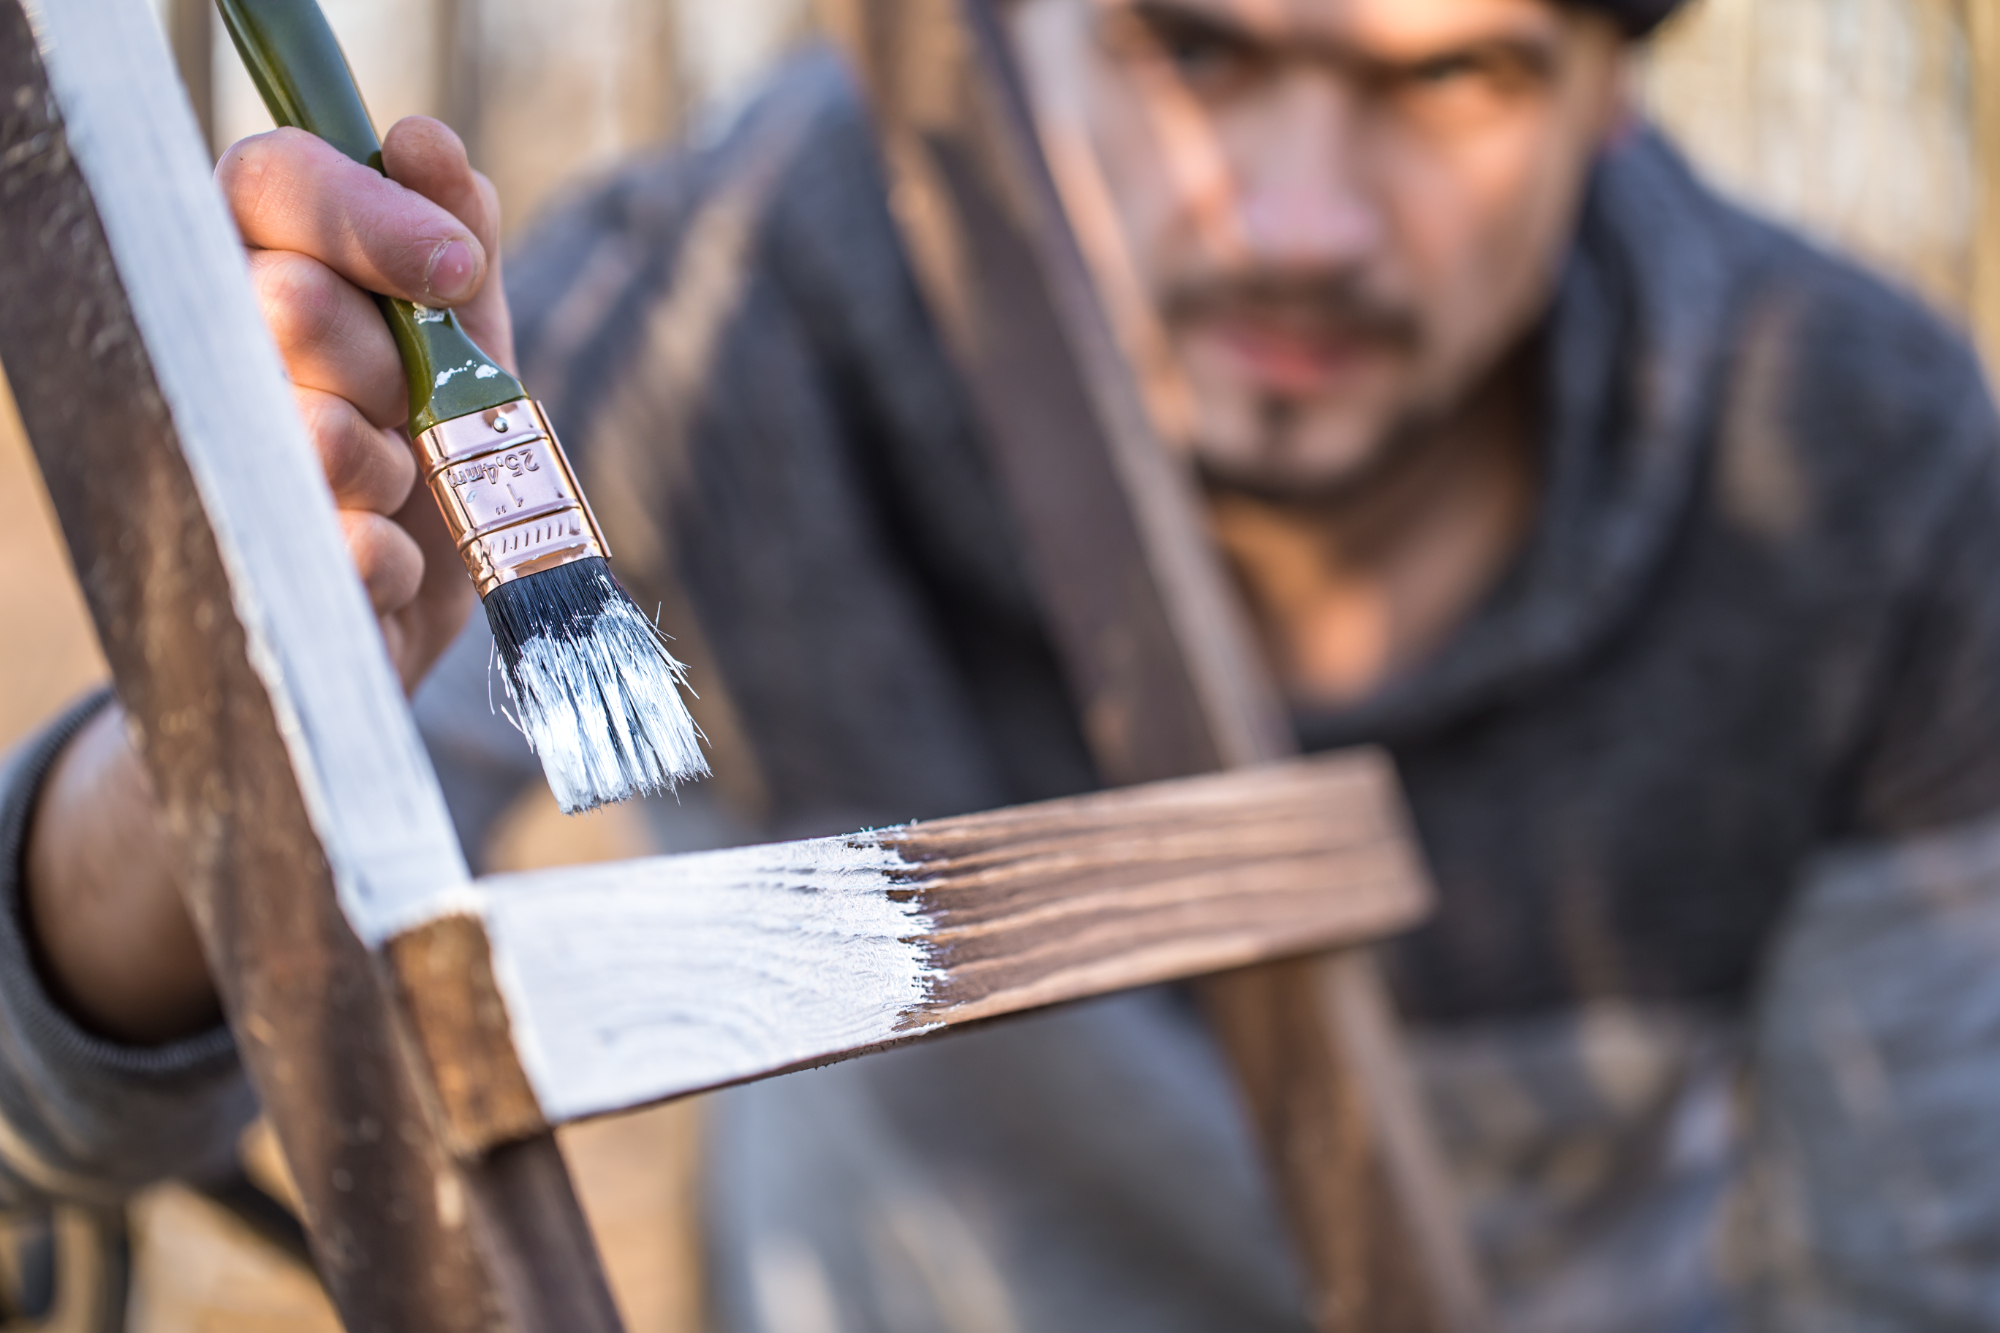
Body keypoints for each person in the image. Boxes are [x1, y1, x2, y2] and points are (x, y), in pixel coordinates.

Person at [9, 0, 2000, 1326]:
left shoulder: (1857, 466)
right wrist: (225, 692)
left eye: (1449, 76)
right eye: (1196, 49)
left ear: (1607, 78)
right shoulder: (715, 307)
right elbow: (62, 1092)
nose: (1296, 218)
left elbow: (1918, 1263)